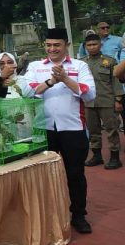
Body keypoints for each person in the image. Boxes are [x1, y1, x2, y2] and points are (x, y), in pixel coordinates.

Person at [18, 28, 95, 233]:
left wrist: (66, 79)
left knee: (75, 174)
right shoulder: (35, 66)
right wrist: (51, 81)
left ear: (66, 45)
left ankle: (78, 215)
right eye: (49, 45)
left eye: (57, 45)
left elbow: (89, 94)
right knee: (42, 175)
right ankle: (46, 215)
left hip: (73, 129)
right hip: (43, 129)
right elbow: (27, 91)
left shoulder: (80, 66)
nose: (52, 49)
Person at [80, 34, 123, 169]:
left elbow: (115, 82)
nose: (92, 47)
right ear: (85, 47)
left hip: (107, 101)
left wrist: (118, 100)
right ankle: (97, 156)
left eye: (95, 44)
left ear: (101, 45)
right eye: (89, 45)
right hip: (89, 102)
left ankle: (115, 158)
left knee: (111, 129)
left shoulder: (109, 61)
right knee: (93, 130)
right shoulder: (82, 63)